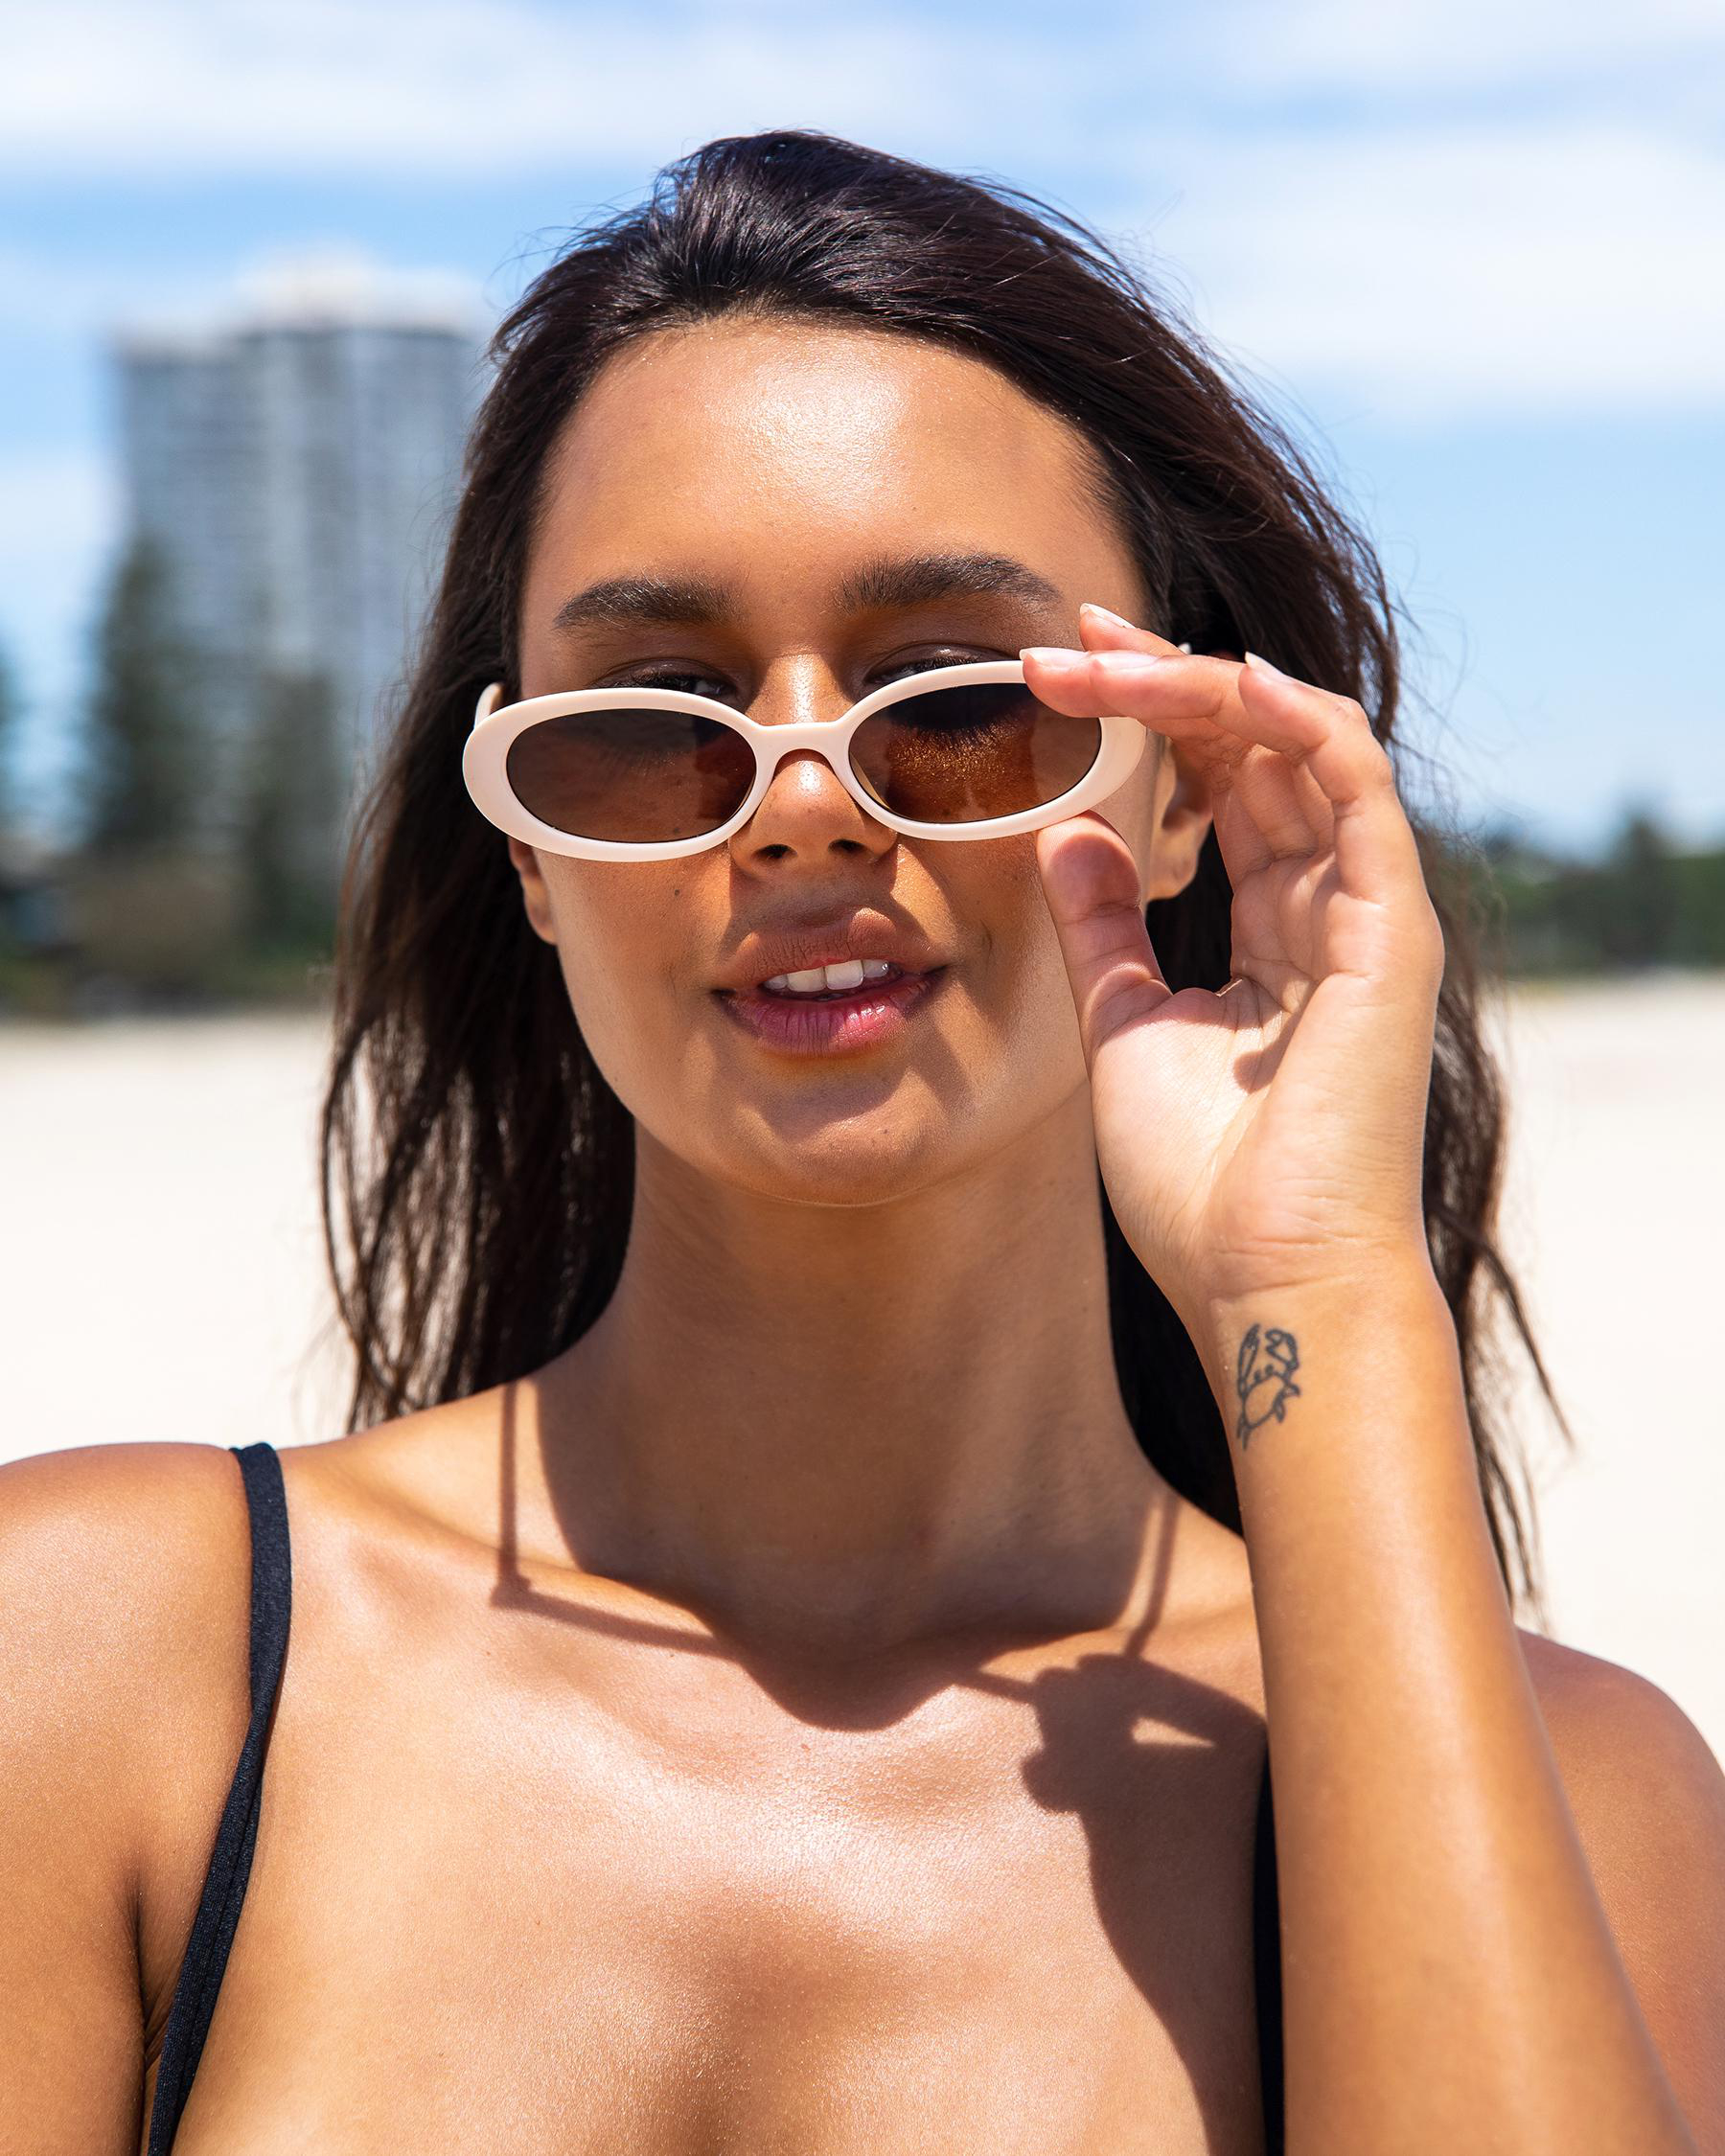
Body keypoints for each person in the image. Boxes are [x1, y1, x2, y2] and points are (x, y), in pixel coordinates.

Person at [5, 130, 1722, 2155]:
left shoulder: (1570, 1797)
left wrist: (1318, 1297)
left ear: (1181, 785)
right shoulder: (109, 1662)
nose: (804, 807)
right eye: (653, 723)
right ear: (532, 852)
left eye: (957, 701)